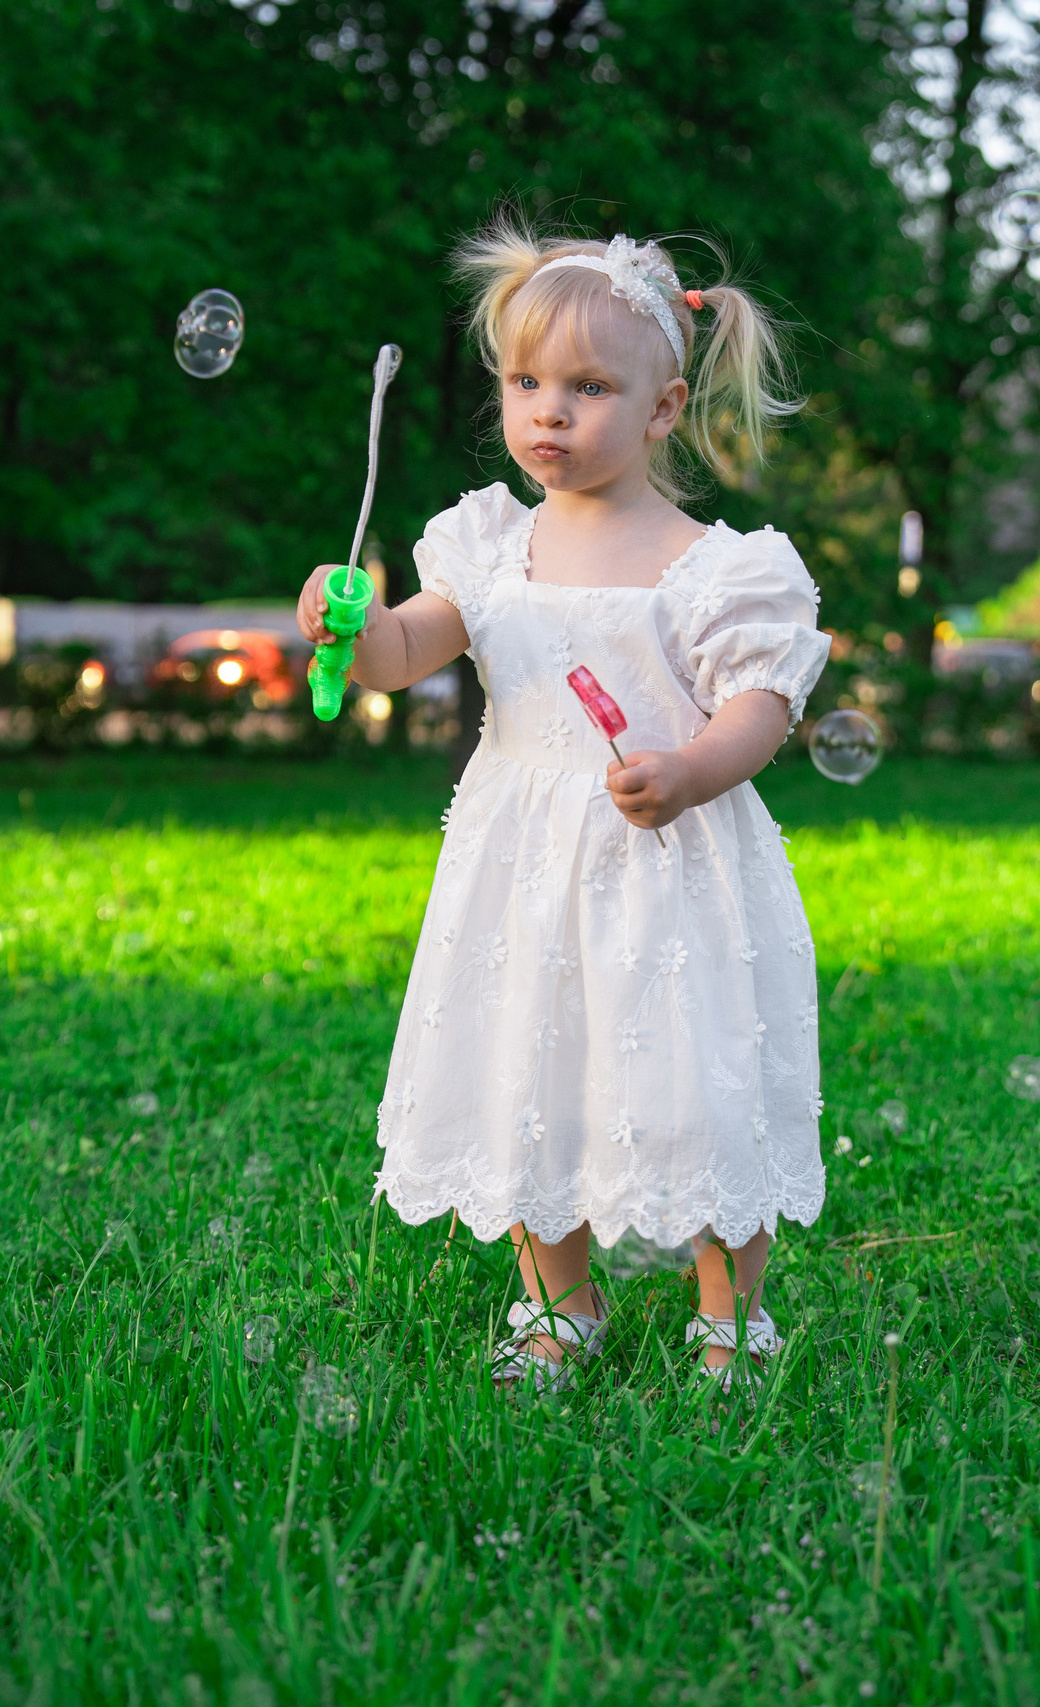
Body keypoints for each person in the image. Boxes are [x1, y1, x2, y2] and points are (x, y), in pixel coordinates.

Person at [294, 221, 829, 1389]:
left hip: (667, 858)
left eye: (588, 388)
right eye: (526, 382)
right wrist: (350, 624)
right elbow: (400, 652)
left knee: (699, 1081)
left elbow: (759, 704)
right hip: (523, 867)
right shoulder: (489, 548)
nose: (548, 411)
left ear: (661, 408)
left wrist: (693, 767)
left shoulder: (712, 565)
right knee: (525, 1072)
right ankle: (556, 1304)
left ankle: (730, 1314)